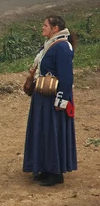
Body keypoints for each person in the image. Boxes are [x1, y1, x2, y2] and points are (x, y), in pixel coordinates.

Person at [23, 16, 77, 186]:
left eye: (45, 25)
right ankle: (44, 168)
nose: (42, 27)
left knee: (53, 133)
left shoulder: (62, 47)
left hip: (53, 98)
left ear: (55, 28)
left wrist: (61, 99)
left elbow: (66, 77)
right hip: (42, 96)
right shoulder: (50, 44)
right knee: (42, 131)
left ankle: (55, 172)